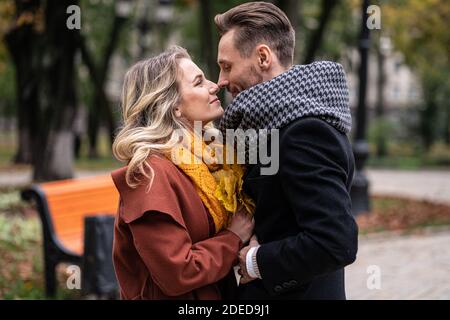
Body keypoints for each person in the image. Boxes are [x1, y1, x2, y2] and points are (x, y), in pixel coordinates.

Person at [214, 2, 359, 299]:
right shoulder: (271, 126)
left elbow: (335, 241)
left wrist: (255, 262)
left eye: (227, 66)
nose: (221, 81)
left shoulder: (305, 132)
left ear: (263, 57)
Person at [110, 46, 254, 300]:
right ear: (173, 106)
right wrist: (233, 238)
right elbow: (178, 273)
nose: (214, 85)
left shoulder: (208, 161)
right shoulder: (148, 174)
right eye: (199, 82)